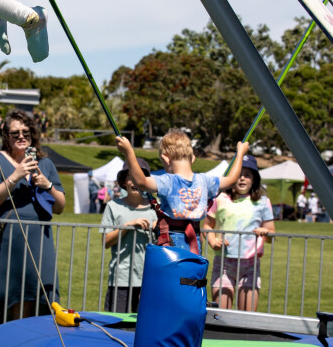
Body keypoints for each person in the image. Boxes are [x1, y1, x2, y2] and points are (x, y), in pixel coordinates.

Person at [0, 108, 65, 339]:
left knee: (36, 298)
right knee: (1, 299)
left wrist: (47, 185)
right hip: (6, 245)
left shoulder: (45, 164)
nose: (21, 137)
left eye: (26, 132)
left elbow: (60, 206)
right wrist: (15, 176)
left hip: (39, 243)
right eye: (15, 133)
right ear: (6, 136)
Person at [116, 130, 249, 252]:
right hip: (194, 243)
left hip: (170, 243)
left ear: (166, 158)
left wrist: (129, 152)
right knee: (191, 271)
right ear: (193, 158)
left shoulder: (168, 181)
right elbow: (232, 180)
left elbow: (140, 182)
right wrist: (240, 154)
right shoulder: (205, 181)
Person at [203, 155, 275, 311]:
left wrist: (266, 232)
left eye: (247, 175)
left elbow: (271, 234)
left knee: (246, 317)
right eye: (238, 174)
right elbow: (207, 226)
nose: (242, 178)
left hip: (250, 265)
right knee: (220, 315)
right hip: (223, 264)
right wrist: (213, 241)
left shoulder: (263, 202)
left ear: (254, 179)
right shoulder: (219, 199)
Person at [100, 159, 157, 313]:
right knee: (116, 322)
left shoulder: (156, 208)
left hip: (149, 278)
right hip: (121, 278)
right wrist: (126, 227)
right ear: (124, 182)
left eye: (139, 177)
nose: (135, 182)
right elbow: (105, 241)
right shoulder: (113, 206)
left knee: (145, 323)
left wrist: (159, 229)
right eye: (131, 177)